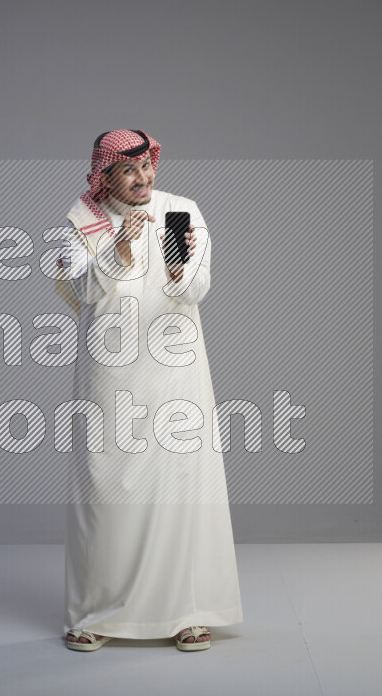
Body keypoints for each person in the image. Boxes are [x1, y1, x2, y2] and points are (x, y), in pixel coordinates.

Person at [54, 129, 243, 652]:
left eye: (148, 167)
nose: (143, 179)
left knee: (181, 486)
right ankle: (92, 612)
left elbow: (198, 288)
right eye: (129, 171)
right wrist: (119, 247)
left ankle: (187, 611)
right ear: (105, 175)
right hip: (109, 373)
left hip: (175, 369)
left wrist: (179, 267)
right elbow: (82, 290)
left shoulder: (181, 210)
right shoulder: (80, 221)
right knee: (104, 491)